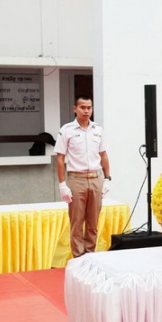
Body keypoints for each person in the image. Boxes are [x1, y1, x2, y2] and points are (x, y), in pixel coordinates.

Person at [54, 95, 111, 258]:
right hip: (76, 179)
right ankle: (79, 259)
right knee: (77, 222)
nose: (86, 111)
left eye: (89, 108)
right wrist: (62, 184)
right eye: (83, 107)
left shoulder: (98, 130)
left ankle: (90, 257)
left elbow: (103, 154)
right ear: (75, 109)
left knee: (93, 222)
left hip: (96, 178)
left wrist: (107, 178)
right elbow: (60, 158)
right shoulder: (67, 130)